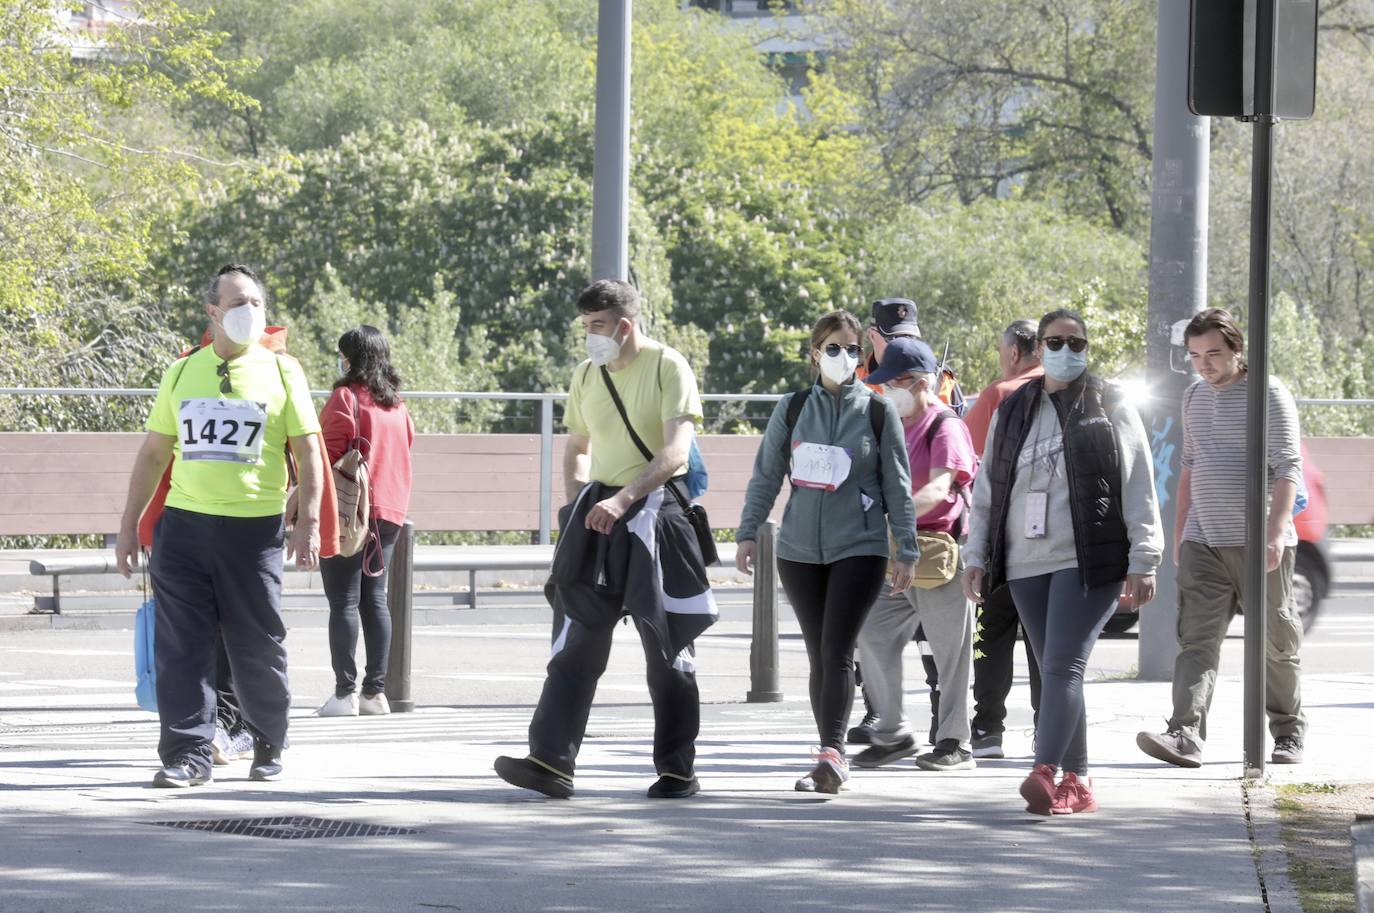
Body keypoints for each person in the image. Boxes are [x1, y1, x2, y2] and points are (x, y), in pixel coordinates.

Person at [494, 280, 717, 800]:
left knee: (667, 646)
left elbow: (676, 451)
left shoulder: (668, 366)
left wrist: (625, 499)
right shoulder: (585, 374)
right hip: (598, 516)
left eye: (597, 326)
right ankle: (551, 761)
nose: (590, 337)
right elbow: (576, 446)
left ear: (625, 324)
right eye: (585, 327)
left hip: (657, 516)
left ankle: (678, 770)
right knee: (576, 643)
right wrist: (578, 502)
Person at [115, 263, 325, 787]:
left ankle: (268, 738)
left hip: (253, 533)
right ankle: (189, 753)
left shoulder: (283, 372)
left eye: (255, 302)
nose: (249, 312)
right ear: (212, 313)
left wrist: (310, 522)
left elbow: (308, 449)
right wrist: (127, 524)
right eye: (237, 303)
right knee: (182, 644)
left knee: (257, 643)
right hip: (184, 528)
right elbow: (153, 454)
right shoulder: (182, 371)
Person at [963, 308, 1162, 816]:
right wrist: (977, 554)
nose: (1067, 351)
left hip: (1088, 556)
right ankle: (1079, 781)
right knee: (1057, 673)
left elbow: (1138, 484)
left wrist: (1145, 557)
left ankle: (1044, 768)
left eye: (1077, 343)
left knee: (1062, 666)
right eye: (1056, 341)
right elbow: (987, 488)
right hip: (1025, 559)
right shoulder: (1014, 407)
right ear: (1040, 347)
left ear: (1087, 349)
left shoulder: (1110, 403)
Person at [736, 310, 918, 794]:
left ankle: (831, 756)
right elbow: (766, 474)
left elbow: (898, 485)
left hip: (859, 547)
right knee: (819, 654)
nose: (844, 357)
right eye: (833, 348)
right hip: (798, 550)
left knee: (838, 650)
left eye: (852, 349)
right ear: (815, 353)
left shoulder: (878, 412)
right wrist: (749, 530)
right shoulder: (793, 408)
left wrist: (907, 547)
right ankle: (828, 750)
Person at [1137, 307, 1307, 768]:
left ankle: (1288, 733)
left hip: (1260, 545)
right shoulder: (1193, 396)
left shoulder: (1268, 392)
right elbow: (1190, 465)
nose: (1204, 364)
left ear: (1237, 349)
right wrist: (1180, 532)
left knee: (1275, 642)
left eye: (1213, 353)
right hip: (1203, 540)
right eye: (1195, 355)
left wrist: (1274, 533)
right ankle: (1184, 733)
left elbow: (1289, 467)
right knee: (1196, 640)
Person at [854, 337, 978, 771]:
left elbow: (941, 488)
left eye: (894, 382)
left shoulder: (947, 426)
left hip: (937, 555)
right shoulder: (892, 425)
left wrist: (894, 519)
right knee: (870, 634)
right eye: (882, 383)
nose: (886, 390)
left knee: (951, 654)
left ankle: (955, 742)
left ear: (922, 382)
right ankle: (892, 733)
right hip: (893, 555)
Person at [316, 326, 415, 717]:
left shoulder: (345, 398)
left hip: (349, 511)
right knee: (375, 600)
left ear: (350, 358)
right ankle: (375, 694)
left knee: (343, 600)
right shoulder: (397, 405)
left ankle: (344, 694)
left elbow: (326, 454)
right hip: (389, 511)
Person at [965, 319, 1045, 760]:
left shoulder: (1000, 394)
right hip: (1050, 543)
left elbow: (971, 459)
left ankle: (988, 729)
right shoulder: (1064, 391)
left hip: (1002, 538)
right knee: (1041, 641)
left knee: (990, 634)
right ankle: (1044, 728)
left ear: (1014, 352)